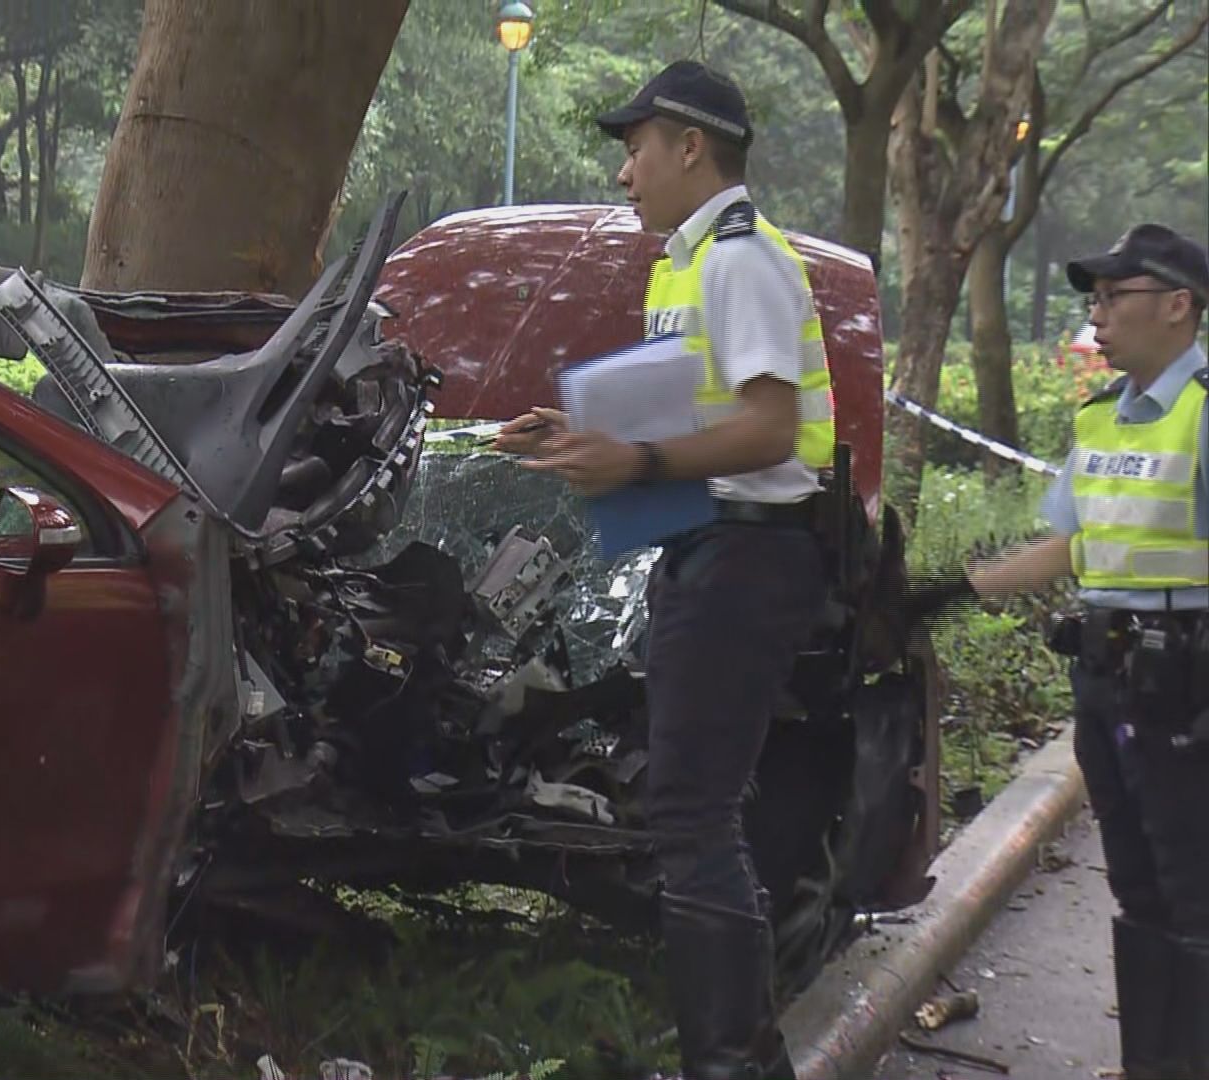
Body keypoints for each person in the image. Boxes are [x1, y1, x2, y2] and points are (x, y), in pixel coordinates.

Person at [496, 59, 835, 1080]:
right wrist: (578, 435)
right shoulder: (682, 265)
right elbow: (704, 416)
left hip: (748, 558)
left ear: (692, 146)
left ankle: (733, 1063)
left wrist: (635, 461)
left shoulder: (739, 259)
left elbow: (771, 428)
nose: (623, 172)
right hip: (708, 552)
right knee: (693, 814)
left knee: (694, 816)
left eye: (635, 147)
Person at [903, 224, 1209, 1079]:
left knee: (1194, 894)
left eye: (1118, 298)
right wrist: (957, 591)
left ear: (1179, 306)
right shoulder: (1103, 417)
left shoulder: (1204, 412)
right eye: (1095, 300)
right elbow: (1070, 547)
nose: (1099, 316)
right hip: (1112, 681)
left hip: (1188, 683)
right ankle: (1153, 1063)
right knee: (1140, 889)